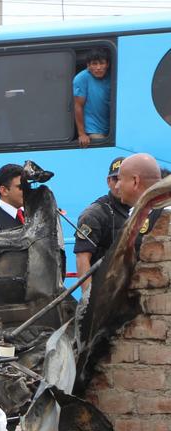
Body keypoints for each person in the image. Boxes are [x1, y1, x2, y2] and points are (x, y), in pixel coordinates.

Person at [74, 157, 129, 292]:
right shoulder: (94, 215)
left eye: (124, 179)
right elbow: (82, 259)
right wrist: (88, 297)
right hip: (106, 292)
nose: (119, 184)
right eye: (116, 179)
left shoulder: (144, 208)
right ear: (108, 181)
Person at [73, 49, 111, 148]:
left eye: (102, 63)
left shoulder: (112, 76)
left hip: (110, 127)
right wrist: (82, 134)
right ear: (88, 66)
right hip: (93, 129)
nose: (98, 68)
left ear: (107, 64)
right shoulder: (81, 78)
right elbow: (78, 106)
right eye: (94, 64)